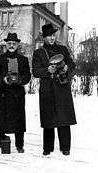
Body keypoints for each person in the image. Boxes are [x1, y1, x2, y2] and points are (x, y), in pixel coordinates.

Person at [32, 23, 77, 156]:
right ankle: (47, 148)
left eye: (53, 35)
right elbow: (35, 71)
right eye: (48, 36)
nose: (52, 38)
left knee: (64, 119)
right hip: (47, 89)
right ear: (43, 38)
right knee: (48, 119)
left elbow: (72, 65)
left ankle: (65, 147)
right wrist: (47, 70)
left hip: (62, 87)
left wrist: (67, 69)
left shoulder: (63, 49)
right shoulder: (39, 53)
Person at [0, 33, 31, 153]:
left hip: (17, 94)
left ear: (18, 45)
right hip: (2, 92)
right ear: (6, 44)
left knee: (18, 119)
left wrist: (20, 80)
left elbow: (27, 76)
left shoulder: (23, 60)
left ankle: (19, 145)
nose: (12, 45)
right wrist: (3, 79)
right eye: (9, 43)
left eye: (14, 43)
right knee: (0, 119)